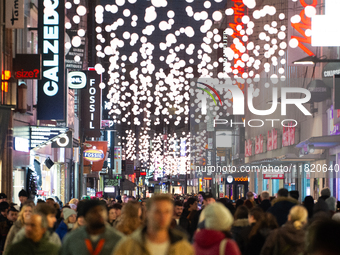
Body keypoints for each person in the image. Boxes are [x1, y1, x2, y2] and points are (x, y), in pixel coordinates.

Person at [113, 194, 194, 255]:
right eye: (157, 211)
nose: (162, 216)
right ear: (148, 213)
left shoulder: (182, 247)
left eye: (167, 212)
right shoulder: (128, 246)